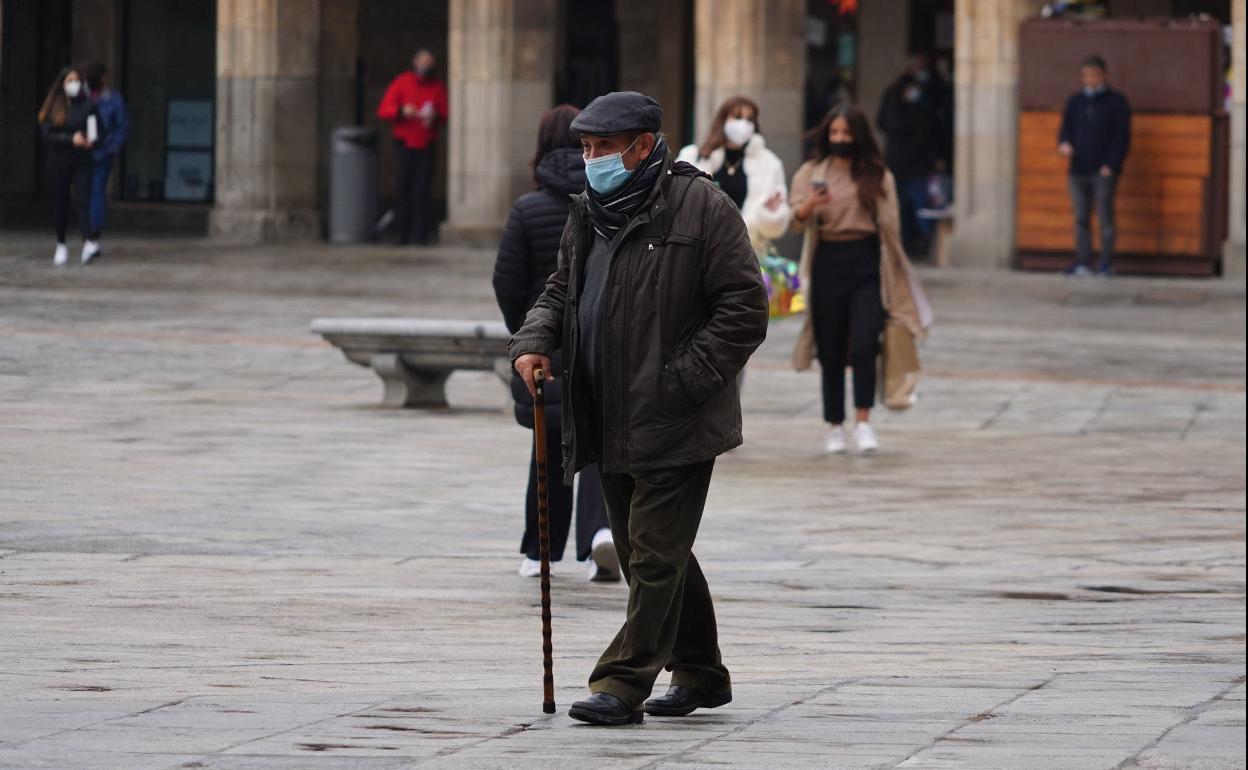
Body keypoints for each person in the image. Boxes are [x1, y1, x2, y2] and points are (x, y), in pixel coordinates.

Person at [509, 91, 768, 726]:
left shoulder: (701, 206)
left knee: (653, 553)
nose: (591, 159)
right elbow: (561, 290)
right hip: (606, 409)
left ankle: (623, 682)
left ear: (643, 145)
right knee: (645, 551)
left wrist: (683, 378)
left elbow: (745, 306)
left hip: (676, 412)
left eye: (603, 148)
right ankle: (701, 670)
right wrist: (536, 340)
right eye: (586, 148)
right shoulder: (587, 212)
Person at [493, 104, 618, 583]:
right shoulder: (604, 206)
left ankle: (538, 549)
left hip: (540, 350)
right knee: (598, 445)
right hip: (597, 343)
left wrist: (525, 334)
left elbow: (506, 283)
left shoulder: (528, 209)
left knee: (546, 445)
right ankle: (598, 540)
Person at [789, 105, 930, 455]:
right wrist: (809, 203)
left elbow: (892, 227)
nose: (840, 139)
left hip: (866, 261)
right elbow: (795, 221)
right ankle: (835, 425)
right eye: (835, 133)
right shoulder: (811, 172)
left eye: (847, 133)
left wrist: (899, 277)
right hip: (827, 261)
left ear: (859, 136)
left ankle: (864, 421)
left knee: (866, 341)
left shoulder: (877, 175)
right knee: (831, 347)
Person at [677, 95, 791, 256]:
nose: (743, 124)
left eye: (749, 119)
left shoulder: (770, 164)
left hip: (748, 254)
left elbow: (777, 225)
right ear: (723, 119)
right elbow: (678, 205)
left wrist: (768, 213)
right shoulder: (692, 157)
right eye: (737, 117)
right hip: (700, 253)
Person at [1058, 54, 1131, 277]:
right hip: (1078, 169)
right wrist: (1064, 144)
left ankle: (1106, 263)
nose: (1090, 80)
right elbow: (1065, 129)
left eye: (1094, 75)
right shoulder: (1075, 101)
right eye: (1086, 76)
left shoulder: (1117, 103)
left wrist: (1112, 164)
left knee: (1104, 217)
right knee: (1081, 218)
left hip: (1103, 170)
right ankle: (1083, 262)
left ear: (1103, 75)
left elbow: (1122, 137)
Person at [876, 52, 949, 255]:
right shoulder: (903, 94)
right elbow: (893, 122)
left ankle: (911, 244)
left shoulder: (924, 91)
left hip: (907, 161)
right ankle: (913, 245)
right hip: (911, 161)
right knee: (914, 207)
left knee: (912, 207)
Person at [377, 48, 448, 245]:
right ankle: (402, 233)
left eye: (430, 63)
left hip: (426, 143)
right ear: (415, 62)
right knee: (403, 189)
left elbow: (445, 112)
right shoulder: (402, 82)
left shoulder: (437, 86)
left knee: (422, 190)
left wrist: (435, 116)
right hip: (404, 143)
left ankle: (420, 234)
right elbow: (384, 110)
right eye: (424, 62)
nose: (427, 66)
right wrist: (402, 111)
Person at [38, 66, 98, 266]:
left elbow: (99, 129)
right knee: (62, 201)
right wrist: (70, 138)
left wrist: (92, 140)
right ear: (62, 84)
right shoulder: (54, 107)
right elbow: (47, 135)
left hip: (83, 159)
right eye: (69, 81)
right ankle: (61, 243)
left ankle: (88, 240)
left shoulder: (88, 105)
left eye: (76, 80)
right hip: (60, 159)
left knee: (82, 198)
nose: (74, 84)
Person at [82, 61, 129, 259]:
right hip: (81, 153)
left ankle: (93, 233)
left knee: (96, 190)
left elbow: (122, 126)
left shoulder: (113, 100)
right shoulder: (80, 98)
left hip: (102, 153)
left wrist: (112, 147)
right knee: (84, 193)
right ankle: (88, 234)